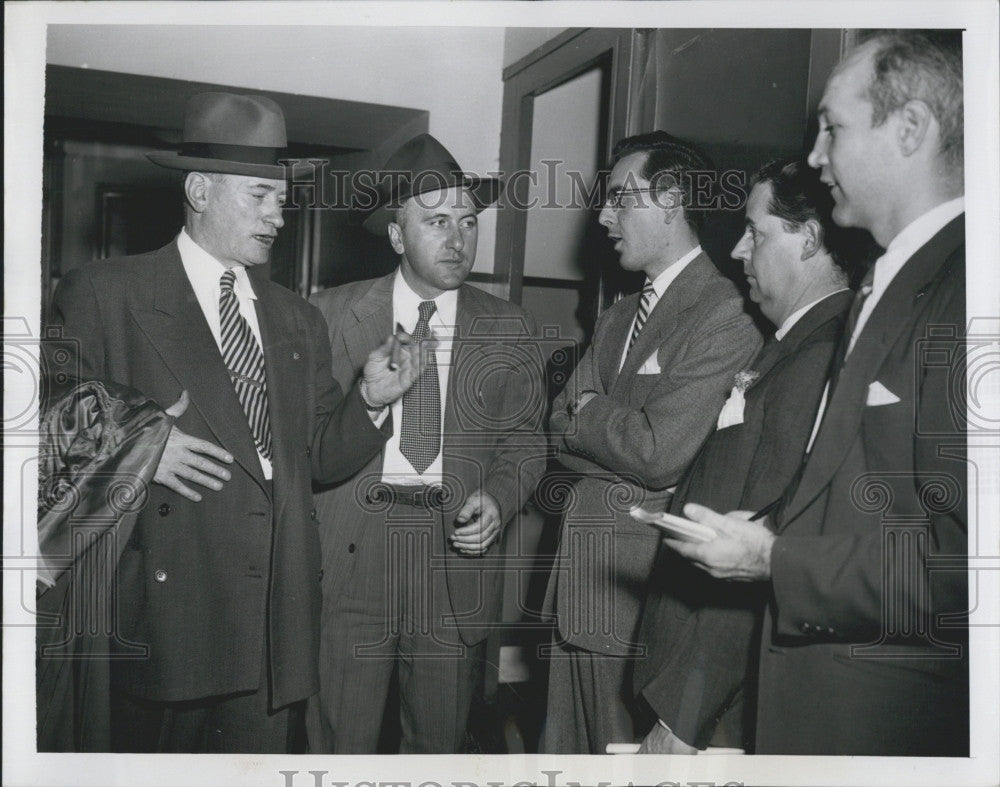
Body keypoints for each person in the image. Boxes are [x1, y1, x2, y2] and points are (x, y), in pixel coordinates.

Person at [44, 92, 424, 753]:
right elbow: (41, 425)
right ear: (199, 188)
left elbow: (320, 461)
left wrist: (370, 400)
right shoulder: (105, 292)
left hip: (275, 622)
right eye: (259, 196)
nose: (279, 215)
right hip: (164, 621)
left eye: (282, 198)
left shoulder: (294, 316)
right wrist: (141, 445)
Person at [662, 30, 968, 755]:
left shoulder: (967, 290)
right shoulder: (886, 284)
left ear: (912, 129)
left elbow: (969, 568)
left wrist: (775, 560)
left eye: (832, 128)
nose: (815, 157)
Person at [305, 134, 547, 753]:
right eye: (437, 221)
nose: (458, 239)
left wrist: (499, 497)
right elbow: (304, 444)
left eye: (467, 222)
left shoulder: (507, 325)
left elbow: (525, 443)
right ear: (395, 236)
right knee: (340, 744)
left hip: (452, 559)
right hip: (354, 553)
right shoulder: (330, 315)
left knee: (439, 747)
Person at [542, 131, 763, 754]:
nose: (604, 216)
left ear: (670, 200)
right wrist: (610, 431)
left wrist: (591, 416)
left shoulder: (725, 312)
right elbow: (557, 432)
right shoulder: (615, 317)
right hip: (579, 590)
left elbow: (663, 451)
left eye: (619, 198)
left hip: (639, 599)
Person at [634, 159, 856, 754]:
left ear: (808, 239)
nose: (737, 251)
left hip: (718, 706)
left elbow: (762, 550)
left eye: (755, 232)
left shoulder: (820, 356)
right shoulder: (790, 345)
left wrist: (683, 719)